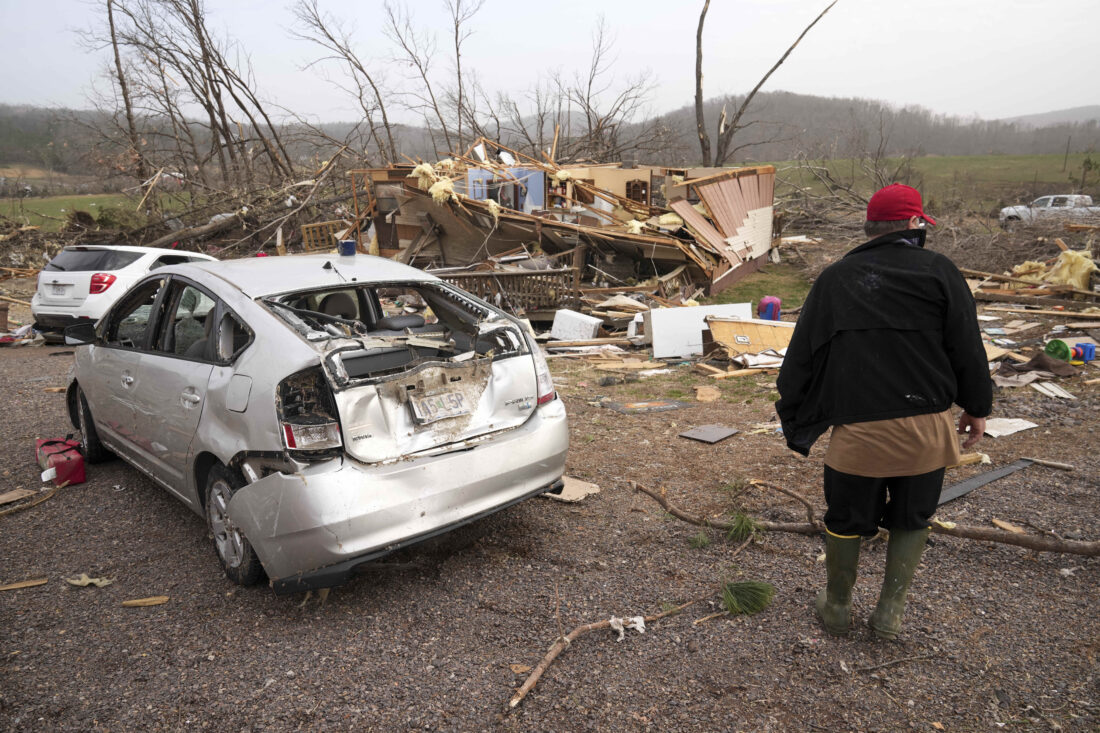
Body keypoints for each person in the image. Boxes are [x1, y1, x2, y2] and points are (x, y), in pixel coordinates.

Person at [775, 183, 992, 639]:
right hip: (926, 433)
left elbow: (801, 357)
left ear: (869, 229)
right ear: (914, 224)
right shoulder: (939, 272)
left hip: (858, 436)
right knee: (913, 518)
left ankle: (837, 607)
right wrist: (977, 407)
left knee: (846, 519)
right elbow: (967, 347)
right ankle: (889, 614)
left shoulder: (836, 278)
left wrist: (794, 415)